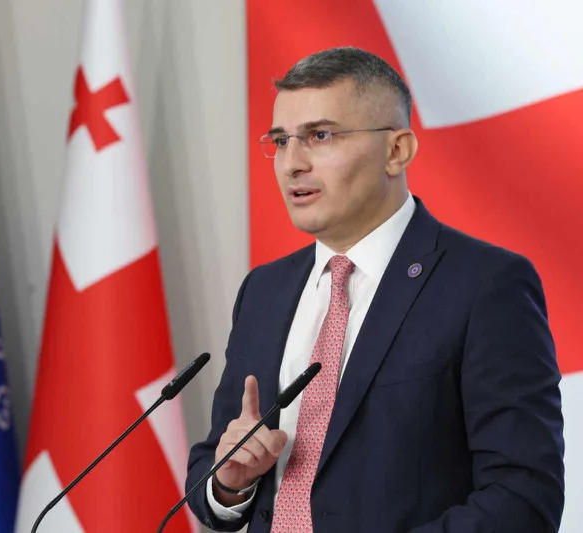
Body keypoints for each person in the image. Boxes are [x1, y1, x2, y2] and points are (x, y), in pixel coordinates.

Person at [185, 47, 564, 532]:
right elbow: (214, 462)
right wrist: (228, 483)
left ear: (396, 150)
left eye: (320, 136)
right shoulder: (264, 290)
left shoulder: (486, 285)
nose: (292, 163)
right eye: (280, 141)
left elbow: (522, 498)